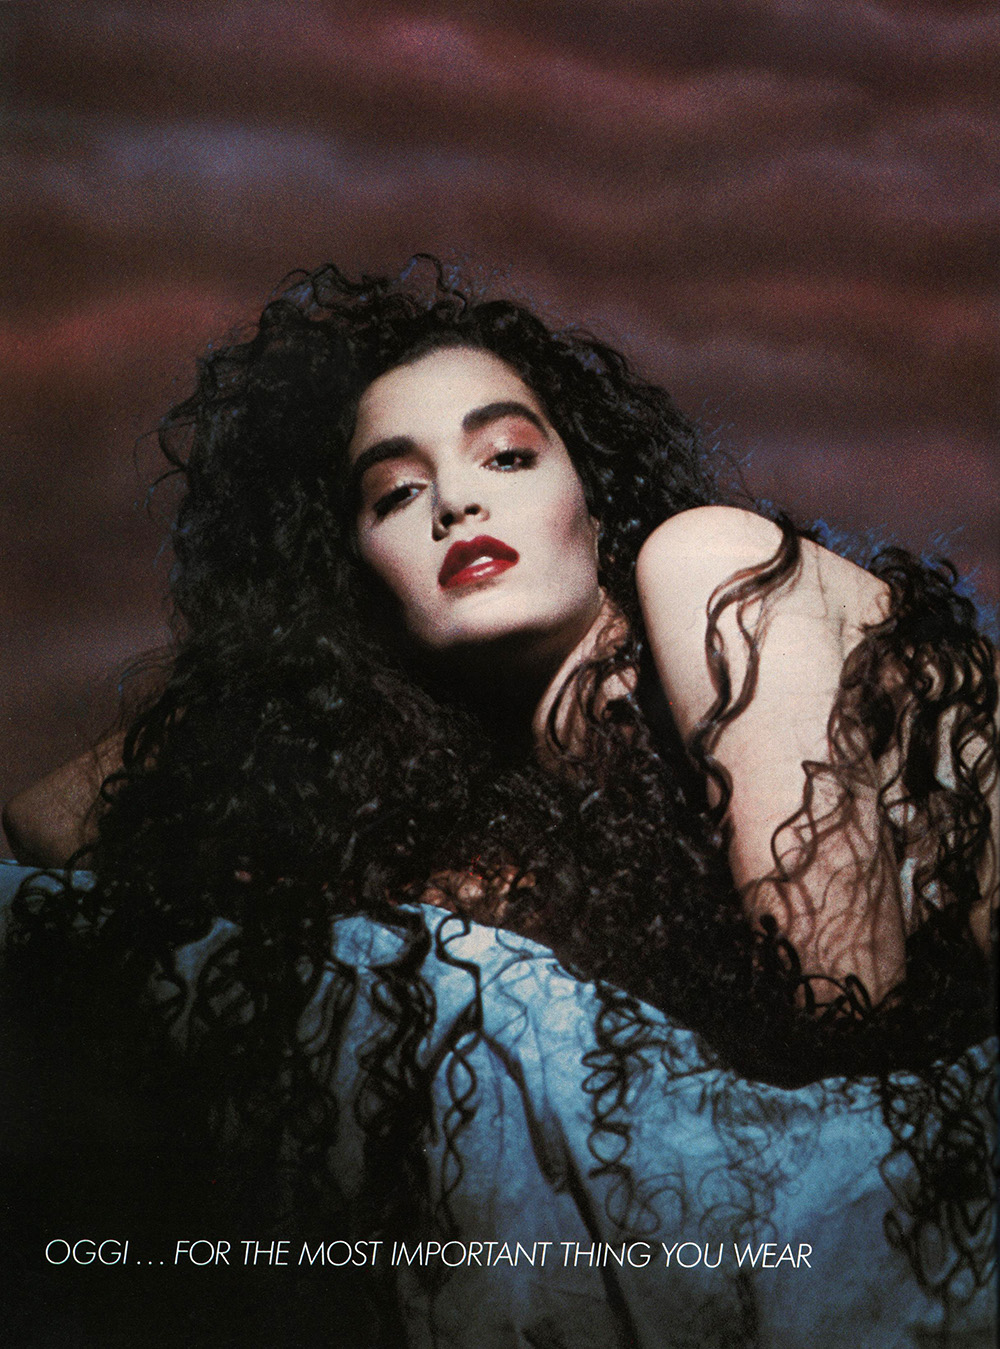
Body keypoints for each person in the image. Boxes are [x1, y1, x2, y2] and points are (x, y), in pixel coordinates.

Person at [2, 260, 996, 1346]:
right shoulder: (518, 789)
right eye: (395, 493)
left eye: (508, 455)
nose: (457, 502)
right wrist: (292, 668)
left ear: (595, 500)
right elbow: (44, 825)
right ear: (356, 577)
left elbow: (842, 998)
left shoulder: (708, 563)